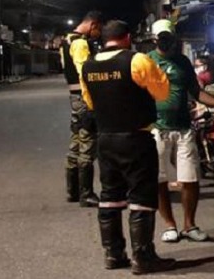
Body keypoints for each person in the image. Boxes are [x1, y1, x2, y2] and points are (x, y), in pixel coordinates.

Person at [79, 20, 175, 274]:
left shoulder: (88, 66)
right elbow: (162, 92)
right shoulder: (137, 60)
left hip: (106, 140)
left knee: (110, 196)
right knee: (142, 197)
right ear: (128, 37)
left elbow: (90, 102)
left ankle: (113, 254)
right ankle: (143, 257)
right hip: (136, 139)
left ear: (104, 39)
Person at [147, 20, 214, 244]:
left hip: (183, 127)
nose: (166, 41)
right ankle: (170, 225)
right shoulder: (146, 61)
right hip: (156, 129)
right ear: (154, 39)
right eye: (162, 38)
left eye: (169, 37)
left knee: (190, 178)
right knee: (159, 179)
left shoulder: (183, 62)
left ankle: (189, 225)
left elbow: (196, 91)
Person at [61, 10, 103, 207]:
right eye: (98, 29)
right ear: (93, 24)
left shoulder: (66, 40)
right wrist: (92, 103)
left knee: (76, 142)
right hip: (84, 98)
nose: (98, 34)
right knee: (87, 143)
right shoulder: (80, 43)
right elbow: (85, 73)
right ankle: (86, 194)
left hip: (74, 98)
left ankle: (73, 191)